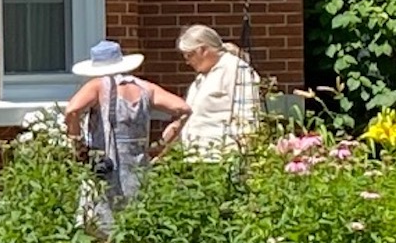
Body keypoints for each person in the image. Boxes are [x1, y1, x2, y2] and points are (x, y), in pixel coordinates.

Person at [63, 39, 188, 222]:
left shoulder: (97, 86)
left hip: (106, 161)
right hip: (137, 161)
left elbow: (72, 110)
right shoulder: (145, 87)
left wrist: (76, 142)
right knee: (135, 212)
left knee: (102, 214)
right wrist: (163, 142)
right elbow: (183, 109)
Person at [164, 24, 262, 157]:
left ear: (203, 50)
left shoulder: (236, 70)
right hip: (198, 156)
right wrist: (178, 125)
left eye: (189, 55)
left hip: (222, 157)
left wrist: (241, 154)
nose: (187, 62)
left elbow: (249, 115)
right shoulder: (203, 76)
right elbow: (200, 113)